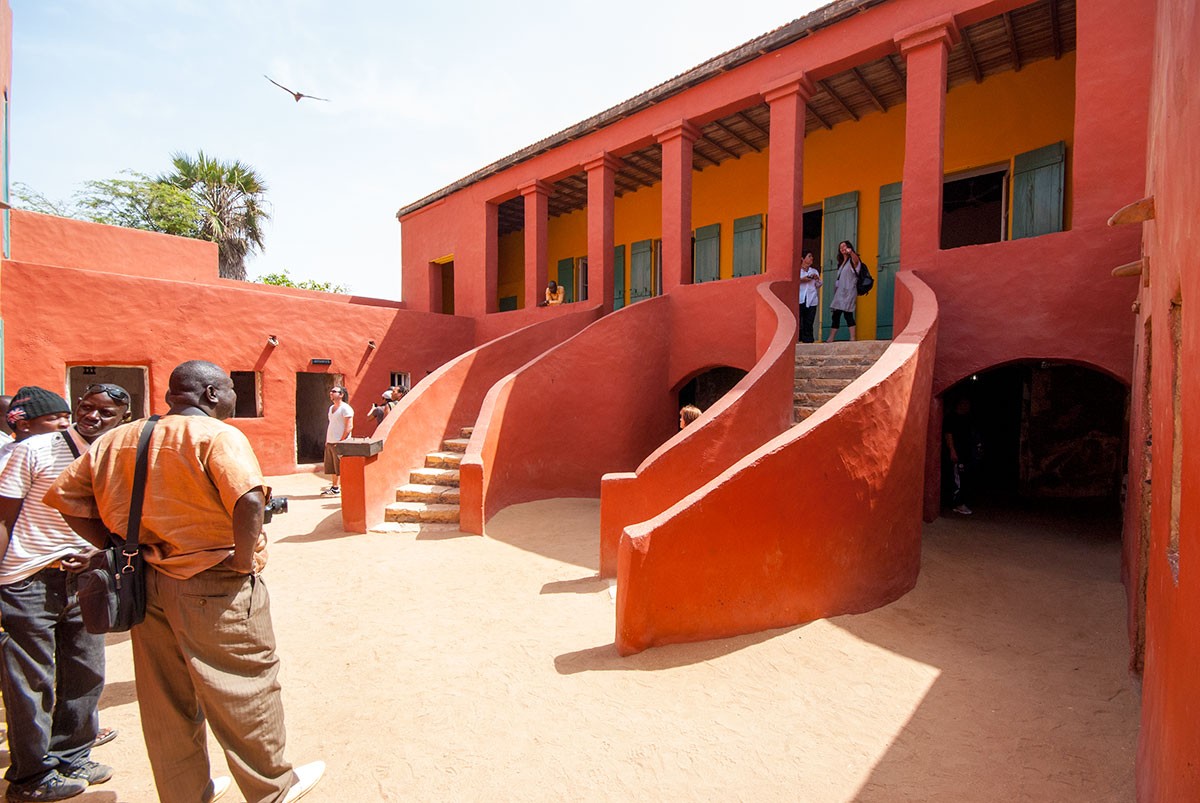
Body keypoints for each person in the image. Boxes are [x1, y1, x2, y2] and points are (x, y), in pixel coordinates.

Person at [44, 360, 325, 803]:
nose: (235, 397)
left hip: (144, 581)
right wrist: (242, 559)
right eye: (232, 388)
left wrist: (117, 548)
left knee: (164, 700)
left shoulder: (120, 438)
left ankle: (184, 793)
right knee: (243, 687)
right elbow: (249, 499)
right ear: (211, 394)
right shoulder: (216, 435)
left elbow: (66, 499)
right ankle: (271, 788)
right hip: (213, 582)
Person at [0, 385, 131, 802]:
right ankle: (30, 777)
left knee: (86, 674)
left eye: (105, 412)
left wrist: (97, 555)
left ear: (122, 418)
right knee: (30, 683)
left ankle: (73, 755)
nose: (92, 416)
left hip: (88, 580)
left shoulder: (119, 454)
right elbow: (3, 518)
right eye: (86, 407)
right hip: (29, 580)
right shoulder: (33, 450)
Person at [944, 396, 980, 515]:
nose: (967, 407)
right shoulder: (951, 418)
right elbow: (948, 435)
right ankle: (956, 503)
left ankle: (961, 501)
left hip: (966, 454)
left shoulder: (968, 418)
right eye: (965, 404)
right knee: (957, 479)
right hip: (957, 453)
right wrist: (952, 450)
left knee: (965, 478)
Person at [825, 240, 862, 342]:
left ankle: (852, 338)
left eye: (844, 246)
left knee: (847, 313)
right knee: (836, 314)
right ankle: (831, 338)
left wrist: (851, 252)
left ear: (849, 247)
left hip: (848, 292)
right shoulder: (841, 263)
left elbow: (856, 261)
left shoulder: (852, 260)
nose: (842, 248)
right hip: (839, 293)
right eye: (840, 247)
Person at [321, 386, 353, 496]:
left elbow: (349, 426)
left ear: (341, 394)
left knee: (341, 467)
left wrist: (341, 441)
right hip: (330, 441)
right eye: (331, 391)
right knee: (332, 467)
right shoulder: (331, 408)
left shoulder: (345, 408)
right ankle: (335, 488)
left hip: (339, 442)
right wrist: (327, 440)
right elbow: (332, 424)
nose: (331, 393)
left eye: (334, 391)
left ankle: (347, 488)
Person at [797, 251, 822, 343]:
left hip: (812, 299)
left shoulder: (814, 271)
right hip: (800, 299)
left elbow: (819, 285)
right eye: (809, 256)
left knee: (809, 320)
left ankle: (808, 340)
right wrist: (801, 280)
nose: (811, 258)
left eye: (812, 256)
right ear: (803, 258)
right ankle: (799, 339)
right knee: (800, 320)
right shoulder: (797, 271)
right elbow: (793, 283)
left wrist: (816, 278)